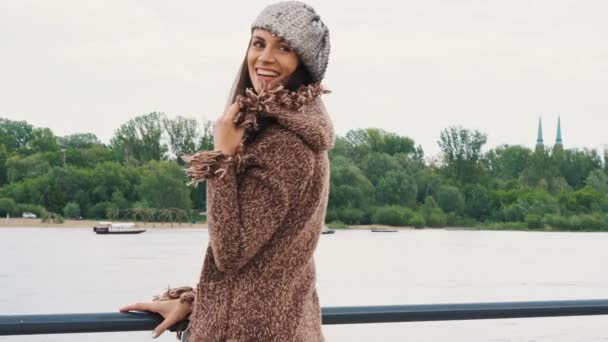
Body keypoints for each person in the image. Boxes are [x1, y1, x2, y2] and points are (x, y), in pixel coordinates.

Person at [120, 1, 333, 341]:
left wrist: (221, 156)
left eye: (284, 48)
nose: (264, 57)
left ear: (303, 65)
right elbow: (263, 264)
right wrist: (196, 301)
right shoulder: (284, 133)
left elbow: (231, 253)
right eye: (258, 43)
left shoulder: (286, 145)